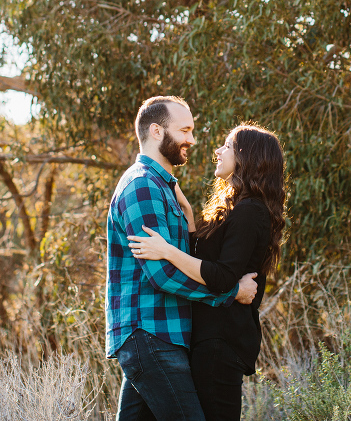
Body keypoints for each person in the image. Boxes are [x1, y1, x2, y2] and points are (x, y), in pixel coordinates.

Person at [106, 96, 259, 421]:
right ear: (157, 131)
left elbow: (185, 257)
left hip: (164, 333)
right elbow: (161, 274)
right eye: (185, 130)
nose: (192, 139)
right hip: (150, 333)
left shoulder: (164, 188)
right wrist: (231, 293)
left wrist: (189, 216)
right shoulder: (142, 186)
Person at [129, 123, 286, 421]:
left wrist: (166, 251)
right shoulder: (235, 208)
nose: (218, 151)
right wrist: (188, 214)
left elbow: (221, 276)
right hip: (208, 339)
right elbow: (205, 258)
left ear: (247, 156)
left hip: (221, 342)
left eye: (227, 146)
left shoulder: (251, 210)